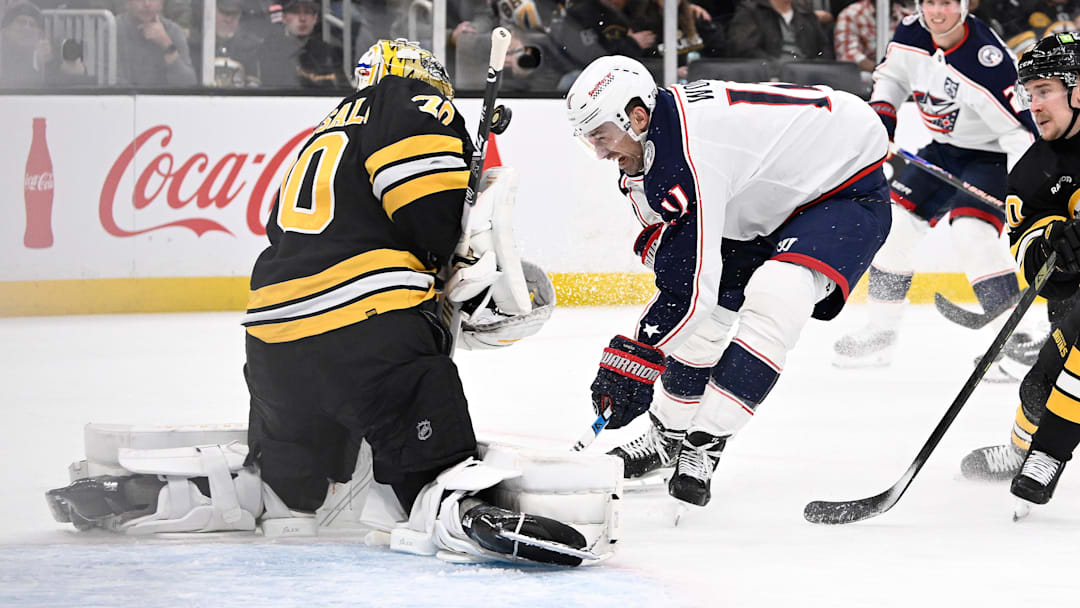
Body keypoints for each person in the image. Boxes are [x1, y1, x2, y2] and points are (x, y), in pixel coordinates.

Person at [44, 39, 602, 567]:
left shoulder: (324, 130)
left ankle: (192, 494)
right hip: (367, 330)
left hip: (273, 343)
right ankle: (462, 511)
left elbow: (277, 227)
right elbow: (429, 223)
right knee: (428, 463)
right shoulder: (412, 102)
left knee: (285, 487)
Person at [566, 55, 893, 505]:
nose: (600, 153)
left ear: (637, 116)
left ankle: (705, 443)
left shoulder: (690, 151)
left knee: (778, 295)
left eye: (602, 137)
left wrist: (635, 359)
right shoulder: (651, 147)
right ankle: (668, 435)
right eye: (590, 143)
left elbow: (687, 287)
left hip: (841, 187)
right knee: (710, 312)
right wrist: (646, 345)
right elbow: (664, 244)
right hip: (765, 196)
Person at [832, 0, 1037, 368]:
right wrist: (883, 119)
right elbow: (891, 77)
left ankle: (1013, 342)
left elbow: (1020, 131)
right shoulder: (911, 31)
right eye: (929, 2)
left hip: (990, 157)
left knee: (973, 235)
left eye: (945, 2)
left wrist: (1028, 186)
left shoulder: (988, 61)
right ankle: (881, 333)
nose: (936, 12)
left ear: (964, 5)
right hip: (942, 151)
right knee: (893, 229)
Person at [958, 33, 1080, 490]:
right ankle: (1021, 451)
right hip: (1074, 306)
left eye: (1045, 90)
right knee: (1036, 390)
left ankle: (1047, 453)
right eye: (1030, 95)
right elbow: (1034, 269)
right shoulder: (1032, 173)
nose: (1035, 105)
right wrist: (1056, 249)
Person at [726, 0, 833, 75]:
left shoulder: (806, 13)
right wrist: (776, 68)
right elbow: (743, 48)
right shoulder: (751, 11)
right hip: (768, 77)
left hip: (806, 76)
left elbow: (823, 48)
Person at [258, 0, 346, 88]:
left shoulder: (329, 52)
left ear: (315, 18)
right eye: (295, 12)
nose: (302, 18)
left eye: (308, 12)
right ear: (284, 17)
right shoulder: (267, 51)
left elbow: (342, 89)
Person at [115, 0, 198, 86]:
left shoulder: (173, 31)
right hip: (124, 97)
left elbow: (189, 84)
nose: (147, 4)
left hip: (163, 98)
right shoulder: (112, 29)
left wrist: (166, 44)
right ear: (128, 2)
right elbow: (107, 82)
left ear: (161, 3)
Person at [190, 0, 262, 87]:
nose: (228, 19)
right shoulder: (196, 44)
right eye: (223, 12)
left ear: (240, 15)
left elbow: (253, 86)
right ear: (213, 11)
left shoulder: (252, 46)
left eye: (234, 14)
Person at [834, 0, 914, 74]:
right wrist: (882, 70)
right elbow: (849, 56)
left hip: (901, 75)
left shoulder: (909, 17)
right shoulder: (851, 14)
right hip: (867, 76)